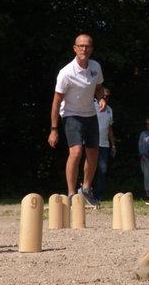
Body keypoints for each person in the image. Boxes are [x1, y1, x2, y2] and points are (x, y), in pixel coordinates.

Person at [47, 34, 106, 207]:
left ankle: (86, 189)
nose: (84, 49)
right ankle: (71, 193)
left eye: (87, 46)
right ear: (75, 48)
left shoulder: (96, 67)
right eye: (80, 46)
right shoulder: (66, 73)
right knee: (76, 152)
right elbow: (56, 101)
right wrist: (53, 129)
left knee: (94, 154)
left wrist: (101, 98)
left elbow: (99, 88)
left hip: (90, 115)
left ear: (91, 49)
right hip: (71, 115)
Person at [94, 87, 116, 201]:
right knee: (89, 169)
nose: (106, 98)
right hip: (91, 143)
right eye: (104, 95)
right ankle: (86, 191)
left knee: (102, 169)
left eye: (108, 96)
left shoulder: (109, 110)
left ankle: (99, 195)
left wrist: (113, 144)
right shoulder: (91, 105)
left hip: (104, 144)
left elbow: (110, 128)